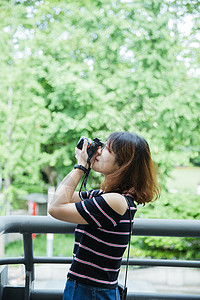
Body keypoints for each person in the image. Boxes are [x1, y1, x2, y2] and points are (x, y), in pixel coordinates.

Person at [48, 132, 160, 300]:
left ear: (123, 162)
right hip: (87, 288)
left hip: (91, 292)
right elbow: (61, 198)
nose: (98, 151)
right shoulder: (105, 196)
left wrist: (81, 167)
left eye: (106, 148)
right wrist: (82, 163)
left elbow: (55, 208)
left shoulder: (116, 202)